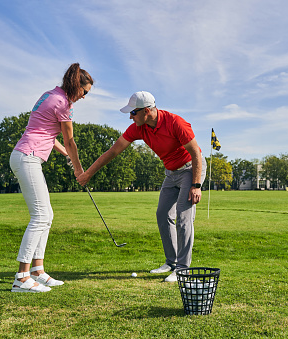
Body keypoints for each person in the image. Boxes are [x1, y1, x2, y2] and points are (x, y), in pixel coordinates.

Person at [77, 91, 206, 282]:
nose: (130, 116)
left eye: (133, 113)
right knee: (162, 214)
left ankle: (183, 269)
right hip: (170, 173)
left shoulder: (175, 122)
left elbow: (195, 152)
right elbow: (113, 151)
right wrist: (88, 173)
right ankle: (171, 262)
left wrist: (196, 185)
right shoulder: (139, 127)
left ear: (147, 111)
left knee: (183, 217)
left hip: (190, 169)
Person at [10, 63, 93, 292]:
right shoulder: (64, 103)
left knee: (47, 215)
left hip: (25, 154)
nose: (84, 97)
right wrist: (79, 171)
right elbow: (70, 140)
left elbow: (45, 132)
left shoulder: (50, 95)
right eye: (84, 92)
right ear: (77, 86)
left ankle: (37, 271)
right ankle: (22, 277)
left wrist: (65, 153)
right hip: (28, 156)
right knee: (40, 216)